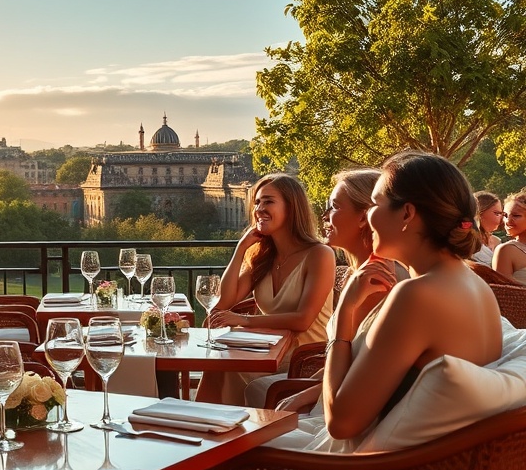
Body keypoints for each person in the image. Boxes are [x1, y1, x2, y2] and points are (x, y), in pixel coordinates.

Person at [275, 152, 502, 453]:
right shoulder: (477, 285)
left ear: (407, 214)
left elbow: (341, 424)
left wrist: (344, 316)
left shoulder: (417, 295)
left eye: (376, 203)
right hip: (427, 466)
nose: (369, 216)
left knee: (211, 450)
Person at [244, 169, 401, 410]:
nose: (325, 216)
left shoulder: (377, 279)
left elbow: (365, 368)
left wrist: (302, 395)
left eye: (334, 207)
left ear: (363, 218)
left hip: (346, 406)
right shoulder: (358, 273)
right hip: (334, 388)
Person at [195, 173, 336, 405]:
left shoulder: (319, 254)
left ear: (292, 208)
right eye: (257, 202)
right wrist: (240, 250)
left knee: (227, 366)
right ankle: (204, 430)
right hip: (268, 349)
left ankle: (230, 430)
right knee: (217, 364)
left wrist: (243, 320)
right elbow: (223, 303)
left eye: (268, 201)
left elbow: (303, 320)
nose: (259, 208)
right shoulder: (263, 258)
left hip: (305, 357)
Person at [493, 192, 526, 285]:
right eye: (505, 215)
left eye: (516, 216)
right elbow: (503, 293)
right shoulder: (506, 250)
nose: (507, 221)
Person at [472, 191, 503, 265]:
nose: (502, 218)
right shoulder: (467, 242)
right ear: (480, 213)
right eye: (497, 213)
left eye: (501, 213)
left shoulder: (497, 242)